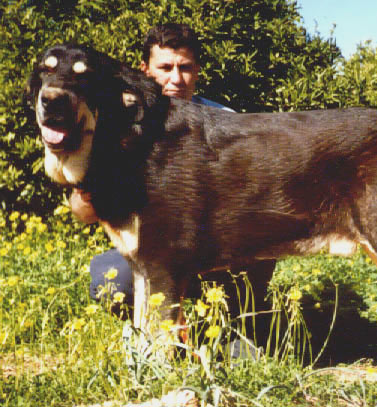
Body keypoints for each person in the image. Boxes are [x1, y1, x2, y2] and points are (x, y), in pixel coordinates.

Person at [70, 24, 275, 324]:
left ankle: (235, 325)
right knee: (108, 280)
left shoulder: (227, 123)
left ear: (197, 70)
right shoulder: (118, 129)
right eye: (165, 67)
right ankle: (150, 330)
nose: (176, 79)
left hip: (219, 251)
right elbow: (81, 212)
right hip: (152, 253)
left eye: (186, 68)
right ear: (145, 70)